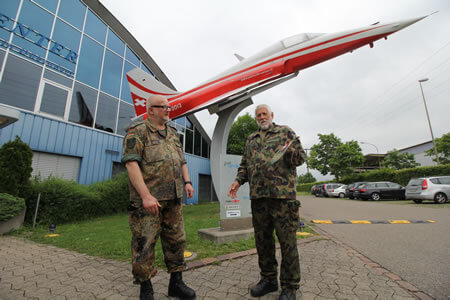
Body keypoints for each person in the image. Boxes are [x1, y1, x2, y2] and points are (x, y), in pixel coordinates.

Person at [228, 104, 306, 300]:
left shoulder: (285, 132)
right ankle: (268, 280)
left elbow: (300, 159)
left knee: (287, 243)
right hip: (259, 198)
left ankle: (289, 287)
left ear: (272, 115)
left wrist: (291, 153)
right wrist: (237, 182)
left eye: (265, 114)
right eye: (258, 115)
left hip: (282, 199)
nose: (262, 117)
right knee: (263, 242)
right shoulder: (251, 140)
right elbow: (244, 165)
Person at [122, 95, 196, 300]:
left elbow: (181, 160)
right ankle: (146, 289)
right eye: (162, 107)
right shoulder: (137, 133)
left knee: (176, 241)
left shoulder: (173, 133)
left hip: (173, 198)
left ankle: (176, 284)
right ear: (150, 110)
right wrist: (145, 195)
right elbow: (131, 164)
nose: (167, 109)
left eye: (168, 106)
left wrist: (187, 182)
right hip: (148, 202)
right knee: (144, 245)